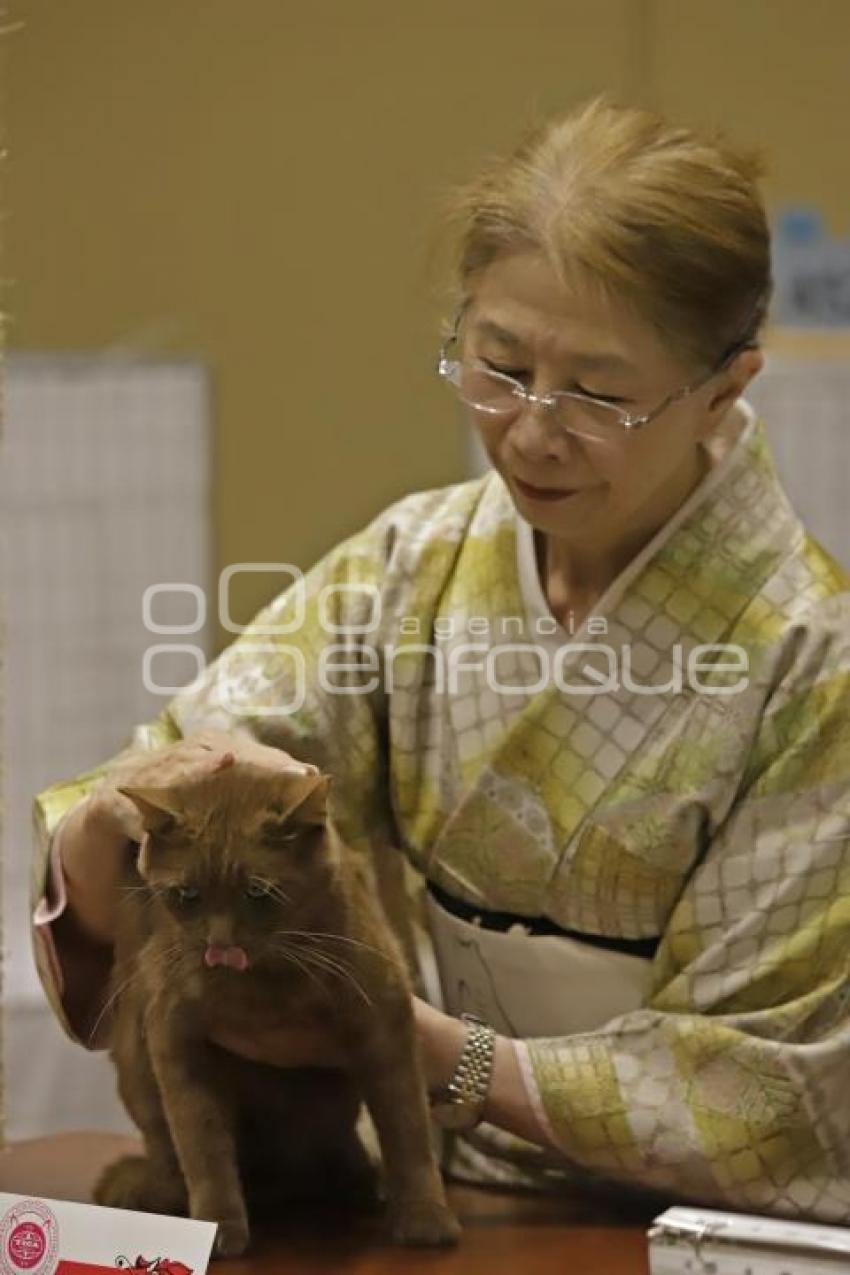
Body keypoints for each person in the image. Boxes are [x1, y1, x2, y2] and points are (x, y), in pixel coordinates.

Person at [31, 96, 850, 1221]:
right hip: (434, 1196)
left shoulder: (811, 661)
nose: (531, 430)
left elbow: (770, 1088)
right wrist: (106, 824)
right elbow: (198, 770)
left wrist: (422, 1046)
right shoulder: (410, 568)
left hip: (687, 1228)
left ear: (726, 387)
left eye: (599, 394)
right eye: (497, 366)